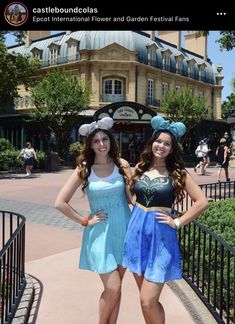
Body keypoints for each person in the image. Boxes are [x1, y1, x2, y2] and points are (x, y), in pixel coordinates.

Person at [122, 116, 208, 324]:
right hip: (136, 235)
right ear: (152, 143)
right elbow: (132, 197)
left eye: (167, 143)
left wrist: (177, 222)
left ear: (172, 148)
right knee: (144, 300)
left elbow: (201, 202)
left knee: (148, 300)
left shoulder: (177, 173)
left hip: (161, 238)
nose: (161, 146)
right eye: (158, 141)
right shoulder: (141, 167)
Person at [55, 117, 132, 324]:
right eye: (96, 140)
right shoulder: (84, 168)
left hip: (124, 231)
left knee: (117, 289)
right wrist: (84, 221)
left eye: (104, 139)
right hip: (100, 234)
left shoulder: (122, 165)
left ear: (111, 140)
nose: (101, 144)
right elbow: (60, 203)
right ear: (90, 144)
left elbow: (132, 198)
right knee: (112, 287)